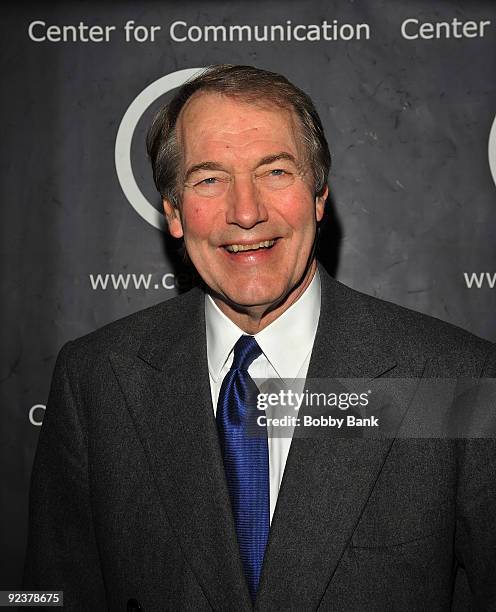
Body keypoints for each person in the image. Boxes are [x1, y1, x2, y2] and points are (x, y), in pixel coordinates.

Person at [24, 65, 496, 610]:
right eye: (209, 179)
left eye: (274, 172)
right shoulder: (96, 382)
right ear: (174, 213)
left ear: (319, 197)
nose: (246, 212)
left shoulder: (454, 381)